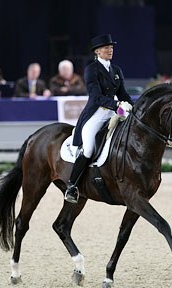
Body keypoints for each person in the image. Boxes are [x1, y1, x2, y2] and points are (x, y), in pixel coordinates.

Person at [65, 34, 133, 204]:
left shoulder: (116, 70)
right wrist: (117, 105)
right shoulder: (91, 70)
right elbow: (95, 97)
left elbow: (123, 93)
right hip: (97, 113)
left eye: (111, 47)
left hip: (114, 112)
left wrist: (133, 107)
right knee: (88, 149)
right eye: (106, 48)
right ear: (97, 52)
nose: (110, 50)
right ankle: (72, 186)